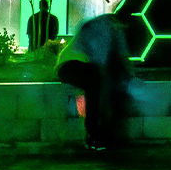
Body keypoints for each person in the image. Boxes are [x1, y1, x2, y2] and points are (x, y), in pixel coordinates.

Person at [56, 15, 134, 151]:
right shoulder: (107, 28)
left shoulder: (111, 27)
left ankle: (98, 134)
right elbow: (101, 64)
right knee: (95, 84)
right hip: (70, 65)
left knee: (98, 84)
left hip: (73, 65)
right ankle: (93, 135)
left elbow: (120, 58)